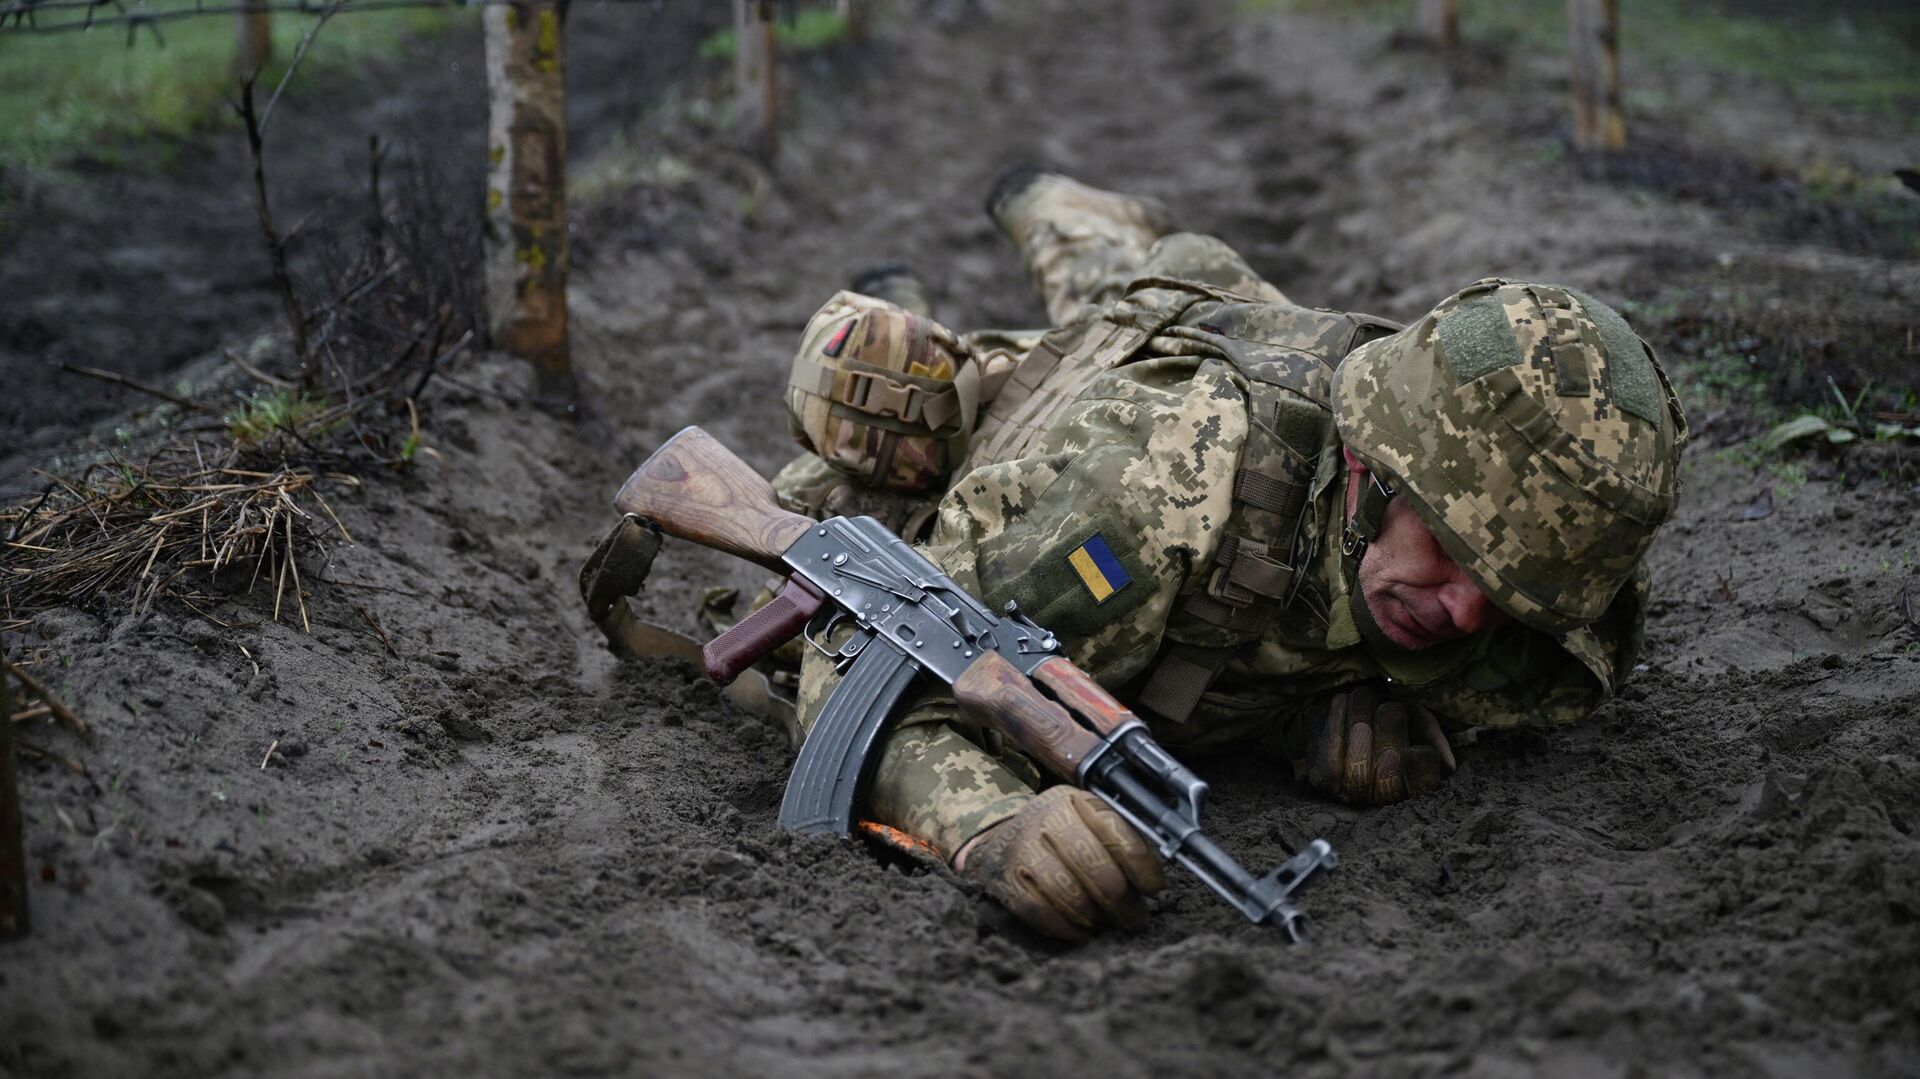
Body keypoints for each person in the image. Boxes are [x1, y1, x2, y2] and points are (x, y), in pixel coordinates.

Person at [765, 168, 1688, 941]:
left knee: (1180, 282)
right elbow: (864, 664)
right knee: (883, 406)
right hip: (1071, 414)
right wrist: (990, 826)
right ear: (1370, 466)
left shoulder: (1543, 546)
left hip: (1238, 332)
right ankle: (1031, 224)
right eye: (1450, 549)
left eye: (1511, 590)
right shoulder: (1155, 495)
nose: (1467, 612)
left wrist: (1314, 710)